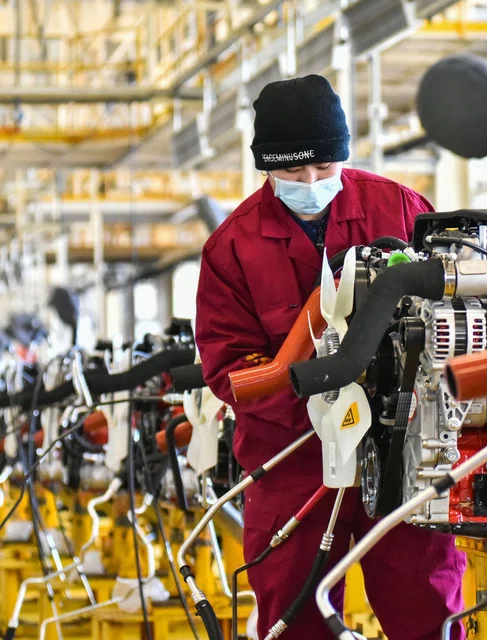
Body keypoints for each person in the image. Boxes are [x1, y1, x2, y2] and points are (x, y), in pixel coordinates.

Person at [195, 75, 467, 640]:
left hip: (401, 450)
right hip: (291, 460)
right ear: (266, 167)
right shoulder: (232, 247)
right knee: (294, 614)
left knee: (428, 603)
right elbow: (228, 369)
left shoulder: (400, 208)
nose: (312, 183)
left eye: (324, 168)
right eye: (294, 173)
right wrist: (317, 400)